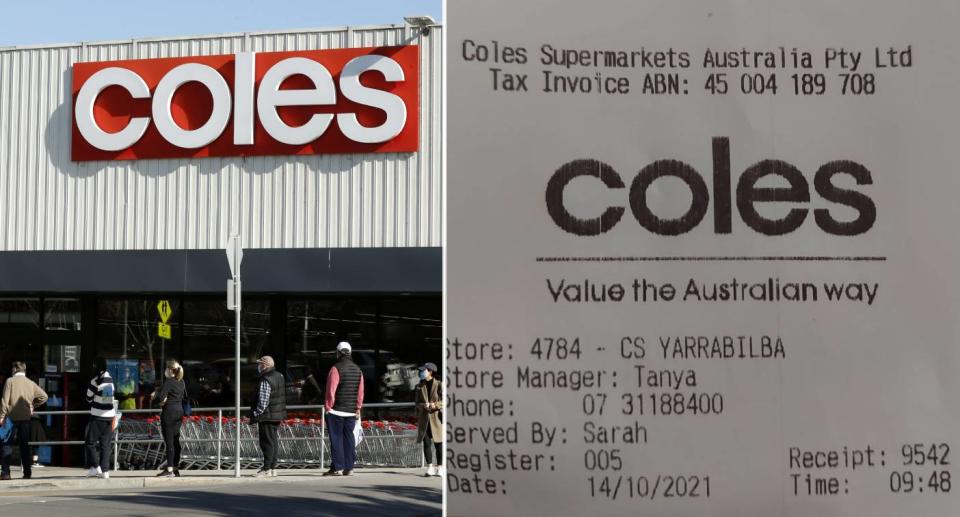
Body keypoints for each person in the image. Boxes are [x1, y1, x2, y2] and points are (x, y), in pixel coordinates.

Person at [0, 362, 48, 480]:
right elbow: (44, 396)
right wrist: (33, 406)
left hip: (11, 417)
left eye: (12, 368)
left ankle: (6, 473)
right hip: (26, 418)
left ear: (15, 369)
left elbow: (5, 400)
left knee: (7, 445)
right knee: (24, 446)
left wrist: (2, 416)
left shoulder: (10, 381)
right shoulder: (30, 383)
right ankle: (27, 473)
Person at [323, 341, 364, 476]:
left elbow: (331, 390)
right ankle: (349, 467)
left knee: (336, 439)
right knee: (349, 439)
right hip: (351, 411)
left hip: (336, 410)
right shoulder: (358, 370)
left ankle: (338, 467)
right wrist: (358, 407)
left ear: (338, 353)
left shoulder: (336, 368)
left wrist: (328, 407)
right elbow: (360, 392)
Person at [251, 356, 285, 477]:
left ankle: (266, 468)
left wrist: (257, 413)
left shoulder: (266, 378)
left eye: (260, 364)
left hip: (267, 415)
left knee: (266, 442)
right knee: (273, 441)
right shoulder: (279, 376)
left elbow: (263, 401)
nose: (258, 366)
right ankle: (272, 468)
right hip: (277, 414)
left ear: (265, 365)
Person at [151, 360, 186, 478]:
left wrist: (154, 399)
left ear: (170, 370)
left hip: (169, 412)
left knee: (169, 441)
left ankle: (169, 469)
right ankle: (175, 467)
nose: (165, 371)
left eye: (166, 368)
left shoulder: (169, 381)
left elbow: (161, 397)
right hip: (179, 412)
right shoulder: (181, 382)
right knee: (176, 441)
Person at [84, 357, 116, 479]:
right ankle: (105, 471)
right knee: (105, 445)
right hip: (109, 416)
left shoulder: (96, 380)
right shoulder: (110, 379)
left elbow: (88, 397)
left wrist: (94, 397)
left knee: (90, 442)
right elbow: (108, 399)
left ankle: (95, 467)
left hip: (98, 416)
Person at [415, 362, 444, 477]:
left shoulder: (439, 384)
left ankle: (440, 467)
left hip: (436, 418)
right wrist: (423, 405)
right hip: (424, 419)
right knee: (426, 442)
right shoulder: (419, 386)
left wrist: (435, 405)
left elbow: (445, 400)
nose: (421, 372)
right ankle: (430, 467)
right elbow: (416, 403)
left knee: (438, 444)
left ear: (430, 371)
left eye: (424, 370)